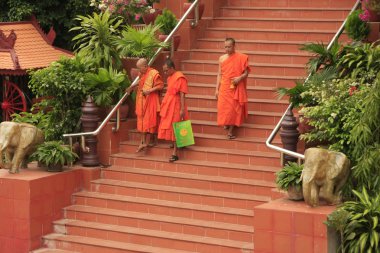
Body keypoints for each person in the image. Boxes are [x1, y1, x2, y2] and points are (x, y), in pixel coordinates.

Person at [215, 37, 251, 139]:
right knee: (223, 108)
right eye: (225, 47)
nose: (227, 49)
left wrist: (240, 78)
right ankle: (227, 123)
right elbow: (219, 74)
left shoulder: (242, 57)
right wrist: (216, 89)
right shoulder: (222, 58)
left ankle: (230, 131)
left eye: (229, 47)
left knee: (234, 109)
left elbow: (246, 72)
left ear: (234, 46)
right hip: (225, 87)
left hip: (236, 86)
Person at [158, 58, 189, 162]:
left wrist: (182, 109)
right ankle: (180, 143)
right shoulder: (170, 77)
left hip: (177, 104)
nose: (165, 73)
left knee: (176, 126)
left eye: (166, 70)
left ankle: (175, 153)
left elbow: (182, 94)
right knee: (170, 126)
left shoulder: (180, 77)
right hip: (169, 104)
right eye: (164, 71)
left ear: (172, 68)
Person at [130, 58, 164, 152]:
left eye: (140, 68)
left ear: (145, 66)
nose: (139, 71)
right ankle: (143, 142)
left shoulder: (154, 73)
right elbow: (140, 81)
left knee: (150, 120)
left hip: (151, 100)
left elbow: (161, 85)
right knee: (142, 121)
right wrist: (132, 86)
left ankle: (150, 140)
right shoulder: (142, 73)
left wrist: (149, 90)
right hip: (142, 100)